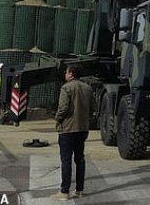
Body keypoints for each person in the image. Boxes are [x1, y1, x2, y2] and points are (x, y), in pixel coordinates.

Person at [51, 65, 93, 201]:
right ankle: (80, 189)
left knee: (66, 160)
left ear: (71, 74)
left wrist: (57, 119)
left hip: (68, 128)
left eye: (67, 72)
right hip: (82, 128)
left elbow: (63, 108)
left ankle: (64, 191)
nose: (65, 74)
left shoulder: (66, 88)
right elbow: (93, 108)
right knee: (80, 159)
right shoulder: (88, 88)